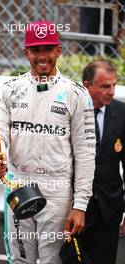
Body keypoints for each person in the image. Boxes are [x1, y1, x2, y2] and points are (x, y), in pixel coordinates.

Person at [0, 21, 96, 264]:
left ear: (58, 50)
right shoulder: (9, 89)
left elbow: (86, 153)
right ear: (27, 53)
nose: (42, 56)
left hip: (57, 191)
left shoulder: (76, 94)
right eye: (36, 50)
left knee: (52, 262)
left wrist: (80, 206)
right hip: (17, 185)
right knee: (20, 260)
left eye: (48, 49)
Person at [81, 59, 125, 264]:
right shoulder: (70, 111)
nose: (112, 91)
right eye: (105, 86)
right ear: (87, 85)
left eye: (114, 85)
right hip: (75, 208)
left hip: (109, 207)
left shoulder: (122, 112)